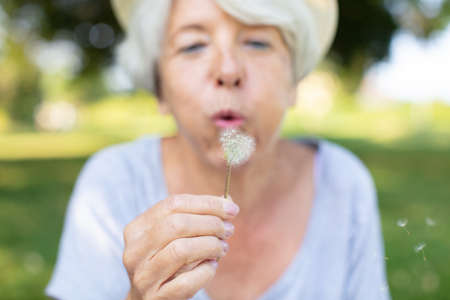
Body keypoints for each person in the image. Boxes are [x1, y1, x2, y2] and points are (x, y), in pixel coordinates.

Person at [45, 0, 391, 299]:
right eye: (193, 45)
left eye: (257, 43)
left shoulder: (344, 183)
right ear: (160, 89)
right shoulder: (112, 183)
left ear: (294, 82)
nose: (228, 70)